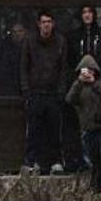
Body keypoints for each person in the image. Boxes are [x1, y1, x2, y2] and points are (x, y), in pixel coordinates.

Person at [21, 10, 67, 175]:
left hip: (53, 93)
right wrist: (26, 89)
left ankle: (55, 162)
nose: (46, 25)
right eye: (43, 22)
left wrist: (62, 90)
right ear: (39, 24)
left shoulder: (60, 41)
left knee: (54, 130)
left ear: (53, 24)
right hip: (35, 92)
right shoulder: (30, 41)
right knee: (33, 130)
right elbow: (24, 67)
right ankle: (31, 161)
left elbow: (63, 68)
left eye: (49, 21)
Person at [66, 55, 101, 196]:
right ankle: (96, 186)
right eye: (85, 71)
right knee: (94, 158)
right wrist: (79, 83)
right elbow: (70, 99)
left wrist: (94, 83)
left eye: (90, 70)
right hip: (89, 128)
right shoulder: (78, 87)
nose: (87, 73)